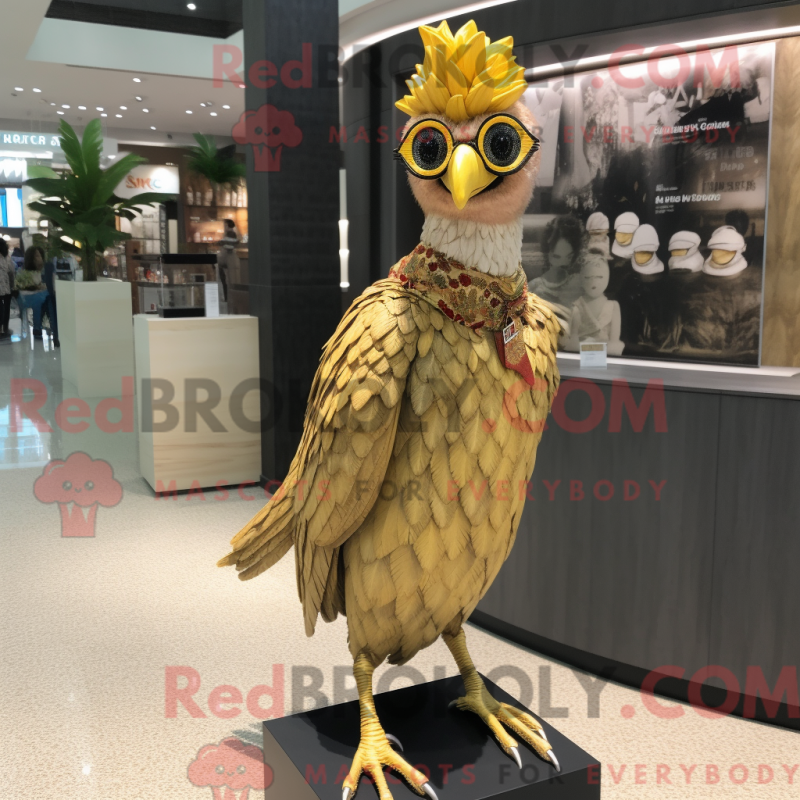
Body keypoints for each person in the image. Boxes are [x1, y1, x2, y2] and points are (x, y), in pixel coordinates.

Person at [564, 250, 624, 355]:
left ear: (607, 277)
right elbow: (572, 342)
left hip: (606, 357)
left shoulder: (613, 307)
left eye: (600, 277)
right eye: (587, 277)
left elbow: (614, 342)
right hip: (582, 358)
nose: (594, 282)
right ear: (581, 279)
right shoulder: (576, 307)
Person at [528, 215, 584, 321]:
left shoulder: (578, 285)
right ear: (547, 253)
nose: (562, 263)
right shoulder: (534, 287)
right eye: (556, 256)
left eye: (569, 257)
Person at [15, 246, 49, 338]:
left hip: (34, 296)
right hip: (25, 298)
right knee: (42, 300)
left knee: (44, 299)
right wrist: (38, 287)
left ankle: (39, 327)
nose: (39, 258)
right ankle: (38, 327)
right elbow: (19, 286)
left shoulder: (40, 272)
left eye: (40, 256)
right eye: (37, 256)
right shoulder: (22, 272)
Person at [217, 219, 239, 302]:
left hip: (227, 261)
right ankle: (227, 297)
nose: (224, 227)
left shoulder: (231, 234)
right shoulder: (230, 234)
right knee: (226, 280)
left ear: (228, 226)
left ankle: (228, 298)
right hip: (227, 262)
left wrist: (219, 243)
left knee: (227, 280)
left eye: (225, 225)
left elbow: (228, 245)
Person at [0, 239, 15, 336]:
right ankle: (5, 328)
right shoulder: (7, 258)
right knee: (6, 307)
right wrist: (12, 286)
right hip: (6, 286)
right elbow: (11, 272)